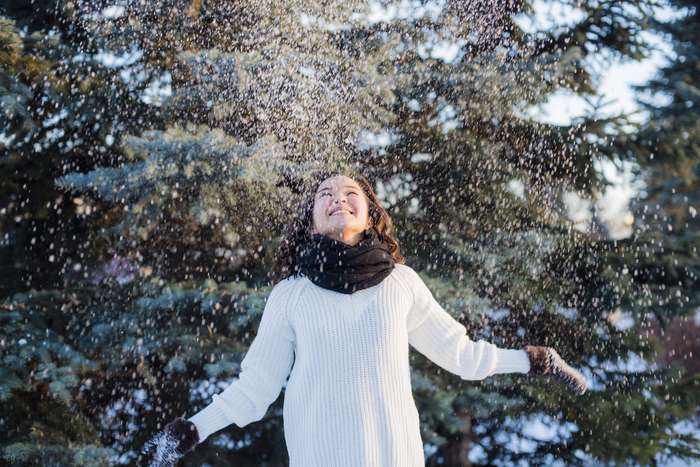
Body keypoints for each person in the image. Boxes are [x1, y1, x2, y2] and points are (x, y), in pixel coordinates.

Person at [142, 169, 588, 467]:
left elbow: (463, 356)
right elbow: (255, 390)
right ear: (313, 222)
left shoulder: (401, 284)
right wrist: (190, 430)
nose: (338, 199)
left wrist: (537, 359)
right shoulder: (291, 297)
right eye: (325, 196)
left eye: (350, 194)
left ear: (370, 214)